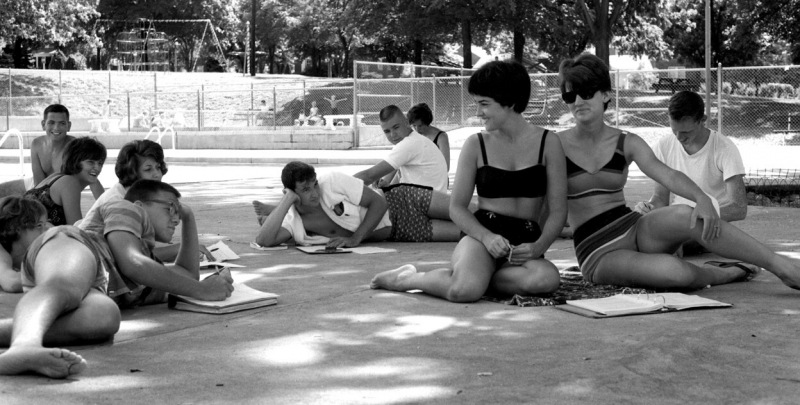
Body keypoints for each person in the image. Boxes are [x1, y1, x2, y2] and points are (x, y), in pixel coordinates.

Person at [556, 53, 800, 291]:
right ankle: (722, 273)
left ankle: (782, 267)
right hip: (598, 251)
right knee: (675, 272)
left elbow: (669, 175)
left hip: (633, 228)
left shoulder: (626, 142)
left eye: (586, 93)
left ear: (606, 94)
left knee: (688, 214)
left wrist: (702, 199)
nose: (577, 101)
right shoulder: (555, 145)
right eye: (570, 94)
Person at [370, 60, 566, 302]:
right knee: (463, 291)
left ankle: (480, 277)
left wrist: (538, 247)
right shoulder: (476, 144)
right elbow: (457, 207)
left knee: (546, 280)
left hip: (524, 243)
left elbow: (558, 211)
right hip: (481, 235)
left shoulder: (549, 143)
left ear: (511, 101)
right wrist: (486, 237)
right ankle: (407, 279)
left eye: (484, 104)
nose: (477, 112)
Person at [0, 196, 120, 378]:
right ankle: (24, 345)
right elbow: (9, 281)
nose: (46, 227)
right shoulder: (55, 235)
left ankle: (18, 337)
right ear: (14, 228)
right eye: (38, 225)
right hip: (69, 243)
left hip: (88, 275)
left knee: (103, 316)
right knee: (61, 284)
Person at [636, 91, 747, 254]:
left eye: (685, 132)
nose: (679, 138)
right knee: (634, 231)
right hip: (677, 221)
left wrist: (697, 218)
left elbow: (738, 207)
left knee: (663, 246)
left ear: (703, 121)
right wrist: (648, 208)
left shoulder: (724, 148)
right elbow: (660, 198)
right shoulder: (665, 145)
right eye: (675, 131)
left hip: (709, 225)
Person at [95, 180, 234, 308]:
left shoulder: (149, 274)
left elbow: (187, 276)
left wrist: (188, 216)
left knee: (104, 318)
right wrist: (202, 289)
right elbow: (133, 263)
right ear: (139, 206)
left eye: (178, 213)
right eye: (170, 209)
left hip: (89, 293)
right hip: (79, 256)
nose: (176, 220)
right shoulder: (124, 207)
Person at [255, 161, 460, 247]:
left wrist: (356, 238)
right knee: (466, 232)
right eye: (306, 190)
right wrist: (286, 201)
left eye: (314, 185)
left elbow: (379, 202)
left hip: (402, 200)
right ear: (291, 193)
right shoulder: (295, 221)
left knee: (471, 212)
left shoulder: (332, 181)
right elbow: (263, 241)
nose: (315, 193)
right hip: (399, 230)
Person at [79, 139, 214, 262]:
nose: (157, 174)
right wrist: (183, 249)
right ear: (132, 172)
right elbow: (131, 259)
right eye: (148, 169)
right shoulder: (119, 204)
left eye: (158, 167)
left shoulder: (133, 196)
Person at [353, 105, 459, 240]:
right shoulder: (414, 141)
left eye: (396, 127)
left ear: (406, 122)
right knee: (467, 229)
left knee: (366, 211)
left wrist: (340, 187)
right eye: (387, 131)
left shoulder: (410, 144)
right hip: (426, 204)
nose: (393, 135)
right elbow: (396, 177)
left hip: (422, 204)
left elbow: (369, 175)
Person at [0, 104, 105, 199]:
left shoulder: (75, 146)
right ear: (43, 124)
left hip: (63, 190)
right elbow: (38, 183)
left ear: (69, 126)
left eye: (62, 123)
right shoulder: (37, 144)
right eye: (51, 122)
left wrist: (107, 208)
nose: (56, 127)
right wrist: (35, 197)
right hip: (38, 185)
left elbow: (92, 179)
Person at [24, 137, 107, 226]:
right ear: (76, 161)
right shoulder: (70, 182)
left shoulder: (58, 176)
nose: (98, 168)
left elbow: (106, 204)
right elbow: (74, 229)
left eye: (100, 163)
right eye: (91, 162)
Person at [408, 103, 451, 171]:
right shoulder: (413, 136)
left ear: (427, 122)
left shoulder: (441, 137)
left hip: (434, 176)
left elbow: (446, 167)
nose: (417, 129)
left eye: (420, 126)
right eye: (414, 126)